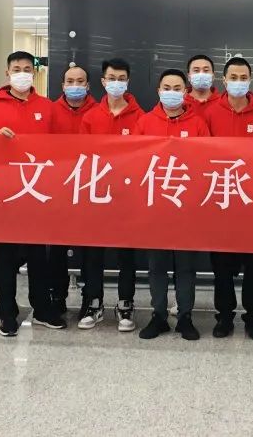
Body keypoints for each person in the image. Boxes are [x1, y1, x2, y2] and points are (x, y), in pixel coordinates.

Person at [0, 51, 63, 337]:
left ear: (34, 73)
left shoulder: (47, 107)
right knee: (5, 256)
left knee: (39, 255)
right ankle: (7, 313)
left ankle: (42, 309)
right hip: (5, 193)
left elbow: (59, 147)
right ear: (7, 73)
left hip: (37, 192)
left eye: (27, 69)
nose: (22, 74)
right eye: (17, 69)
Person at [134, 68, 211, 341]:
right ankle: (158, 315)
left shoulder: (198, 123)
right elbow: (134, 161)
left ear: (185, 92)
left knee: (185, 267)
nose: (172, 92)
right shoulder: (145, 122)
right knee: (156, 265)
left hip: (187, 208)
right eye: (167, 87)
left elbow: (206, 163)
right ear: (158, 91)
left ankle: (185, 316)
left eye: (177, 88)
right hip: (155, 208)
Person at [202, 56, 253, 341]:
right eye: (233, 77)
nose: (238, 82)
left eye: (243, 77)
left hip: (252, 202)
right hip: (219, 199)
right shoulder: (210, 113)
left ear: (250, 80)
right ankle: (224, 316)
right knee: (221, 266)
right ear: (224, 80)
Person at [77, 58, 144, 332]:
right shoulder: (90, 116)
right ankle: (94, 303)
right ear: (103, 82)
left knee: (126, 254)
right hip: (97, 194)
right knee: (94, 253)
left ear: (128, 82)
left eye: (121, 78)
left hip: (127, 196)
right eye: (111, 78)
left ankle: (125, 303)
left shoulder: (140, 117)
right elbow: (82, 156)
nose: (116, 82)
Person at [48, 65, 98, 318]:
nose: (75, 86)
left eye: (80, 81)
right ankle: (57, 297)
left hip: (91, 188)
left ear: (88, 86)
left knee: (90, 247)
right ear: (63, 85)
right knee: (56, 247)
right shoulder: (50, 111)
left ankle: (90, 299)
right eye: (70, 81)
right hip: (58, 189)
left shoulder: (98, 112)